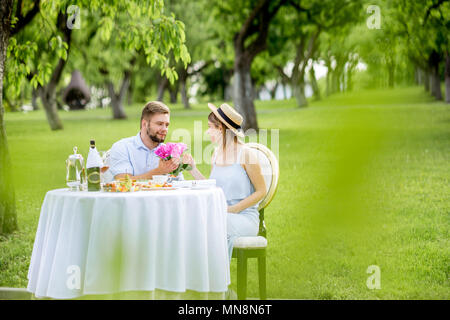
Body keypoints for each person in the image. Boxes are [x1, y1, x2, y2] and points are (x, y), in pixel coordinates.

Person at [183, 103, 266, 260]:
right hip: (220, 213)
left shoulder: (246, 154)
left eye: (210, 127)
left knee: (205, 223)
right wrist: (192, 169)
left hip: (244, 218)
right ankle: (206, 280)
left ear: (221, 129)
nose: (208, 131)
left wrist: (234, 209)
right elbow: (213, 188)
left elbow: (261, 191)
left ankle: (214, 282)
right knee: (192, 219)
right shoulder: (216, 153)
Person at [109, 101, 182, 180]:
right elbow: (122, 181)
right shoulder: (122, 147)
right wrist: (159, 171)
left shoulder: (169, 152)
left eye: (167, 125)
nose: (165, 129)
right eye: (159, 124)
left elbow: (179, 185)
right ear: (144, 124)